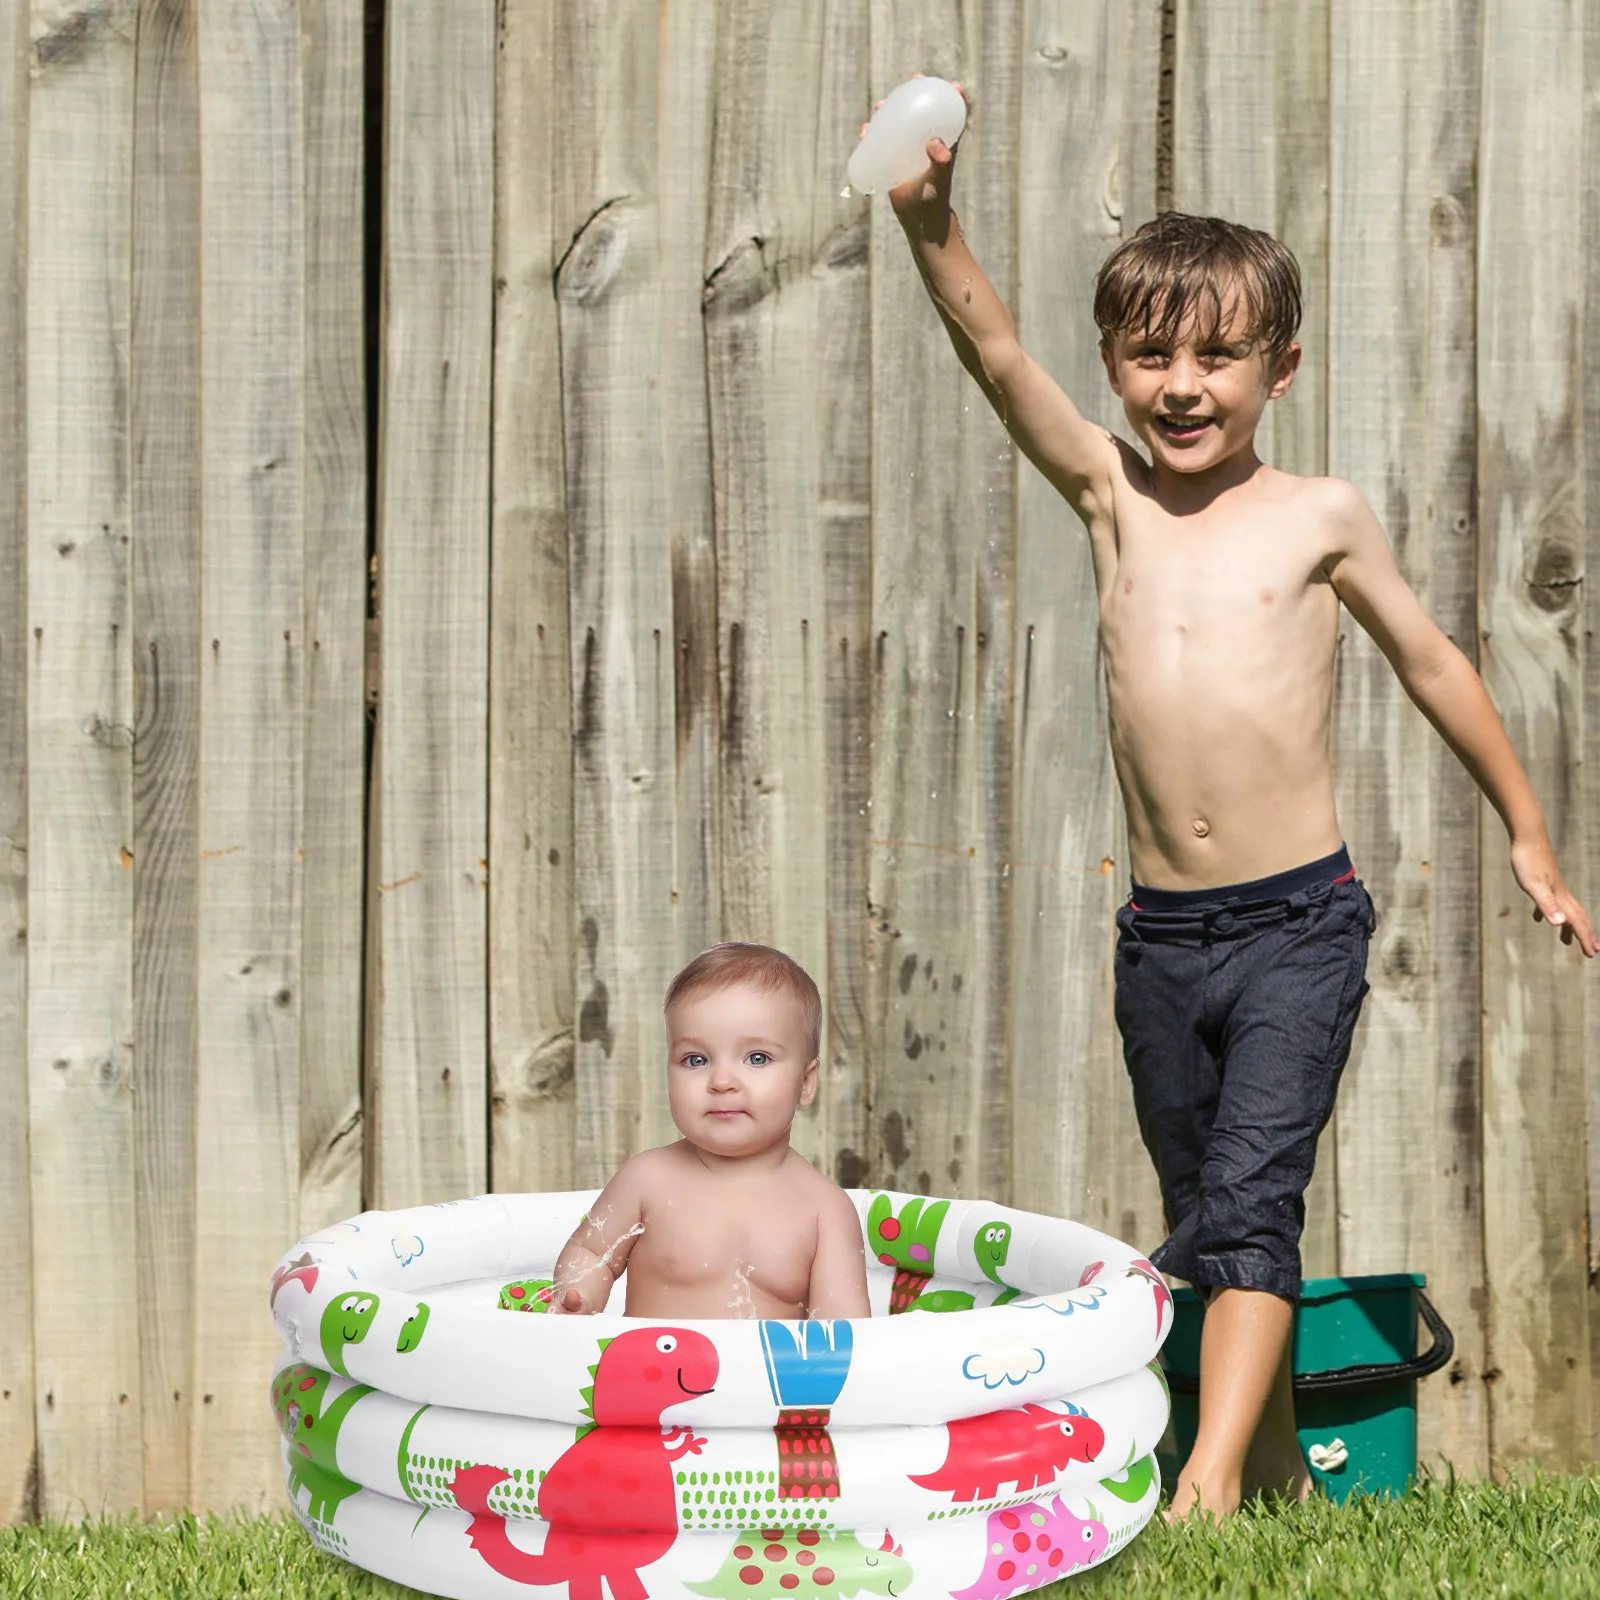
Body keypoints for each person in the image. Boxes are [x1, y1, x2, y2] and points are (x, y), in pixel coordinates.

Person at [886, 123, 1596, 1519]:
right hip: (1161, 939)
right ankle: (1273, 1482)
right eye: (1152, 356)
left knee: (1252, 1205)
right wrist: (926, 219)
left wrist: (1528, 831)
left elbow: (1438, 661)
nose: (1182, 386)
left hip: (1298, 926)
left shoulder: (1319, 514)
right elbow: (993, 354)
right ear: (1115, 369)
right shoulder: (1109, 497)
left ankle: (1200, 1492)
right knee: (1212, 1225)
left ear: (1281, 368)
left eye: (1217, 357)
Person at [546, 942, 871, 1321]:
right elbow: (589, 1252)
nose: (721, 1081)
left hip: (761, 1381)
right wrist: (578, 1295)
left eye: (757, 1058)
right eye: (695, 1060)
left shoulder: (825, 1211)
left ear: (805, 1082)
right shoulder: (648, 1179)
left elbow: (843, 1334)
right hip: (649, 1375)